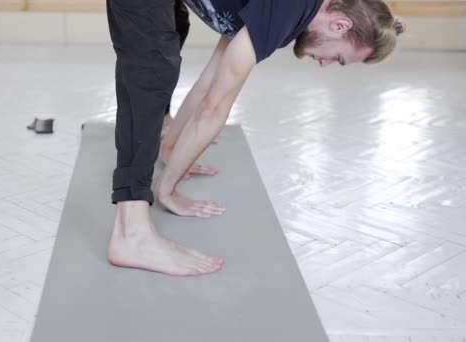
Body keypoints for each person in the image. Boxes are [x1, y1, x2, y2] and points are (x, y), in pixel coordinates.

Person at [105, 0, 405, 276]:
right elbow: (214, 109)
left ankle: (146, 182)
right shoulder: (289, 8)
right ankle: (131, 234)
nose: (325, 64)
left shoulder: (283, 11)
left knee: (169, 29)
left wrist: (170, 147)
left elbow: (210, 83)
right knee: (152, 65)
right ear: (340, 25)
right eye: (338, 58)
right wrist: (167, 189)